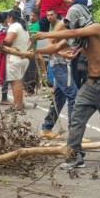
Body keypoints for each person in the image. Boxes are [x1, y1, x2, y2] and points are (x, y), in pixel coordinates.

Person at [31, 1, 100, 169]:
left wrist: (45, 35)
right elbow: (54, 48)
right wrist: (29, 51)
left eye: (71, 19)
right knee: (76, 119)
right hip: (90, 84)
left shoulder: (97, 28)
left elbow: (74, 31)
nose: (69, 23)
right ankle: (75, 155)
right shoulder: (77, 39)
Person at [38, 11, 78, 140]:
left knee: (60, 97)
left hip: (66, 64)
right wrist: (63, 53)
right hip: (59, 64)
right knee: (73, 95)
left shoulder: (75, 24)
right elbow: (50, 45)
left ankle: (46, 128)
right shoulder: (62, 24)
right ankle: (74, 133)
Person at [1, 9, 30, 111]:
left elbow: (8, 41)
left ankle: (17, 104)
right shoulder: (24, 27)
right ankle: (20, 103)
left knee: (15, 82)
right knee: (18, 81)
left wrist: (1, 41)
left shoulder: (14, 26)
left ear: (11, 18)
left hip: (15, 57)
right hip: (24, 57)